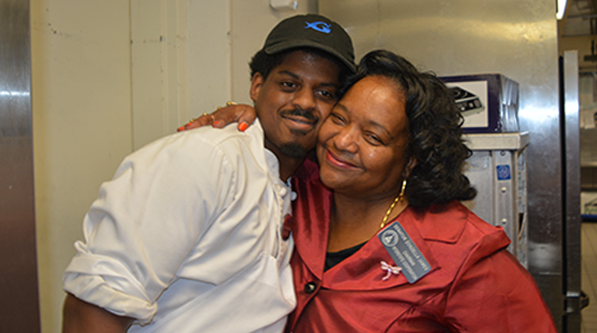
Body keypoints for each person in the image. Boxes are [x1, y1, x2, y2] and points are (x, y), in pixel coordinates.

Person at [196, 50, 558, 332]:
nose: (342, 141)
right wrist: (252, 116)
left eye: (373, 137)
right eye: (339, 117)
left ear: (412, 159)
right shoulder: (303, 183)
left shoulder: (464, 255)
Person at [61, 14, 355, 333]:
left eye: (325, 93)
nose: (305, 102)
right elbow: (94, 306)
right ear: (257, 86)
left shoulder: (307, 180)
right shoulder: (206, 159)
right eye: (289, 85)